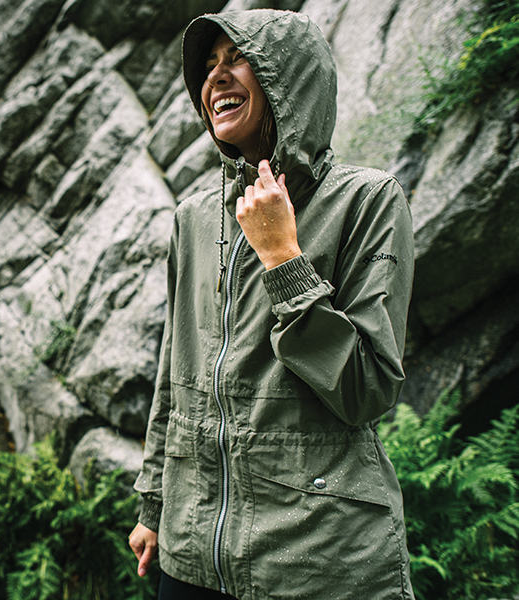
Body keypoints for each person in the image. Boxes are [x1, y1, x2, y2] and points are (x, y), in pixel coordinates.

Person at [128, 9, 416, 600]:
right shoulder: (194, 217)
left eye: (237, 60)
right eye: (208, 67)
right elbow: (173, 375)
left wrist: (284, 259)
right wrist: (155, 504)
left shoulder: (367, 200)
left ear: (286, 77)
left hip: (315, 561)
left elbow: (366, 388)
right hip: (191, 554)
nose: (217, 78)